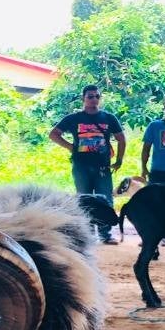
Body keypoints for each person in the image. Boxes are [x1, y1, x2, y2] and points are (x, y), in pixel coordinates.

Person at [49, 85, 126, 243]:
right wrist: (70, 147)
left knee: (105, 199)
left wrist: (119, 160)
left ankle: (105, 234)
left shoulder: (109, 118)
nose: (94, 99)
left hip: (103, 166)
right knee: (84, 199)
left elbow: (121, 139)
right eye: (90, 96)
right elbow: (54, 134)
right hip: (81, 165)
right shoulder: (74, 118)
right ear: (83, 98)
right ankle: (88, 234)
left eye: (97, 96)